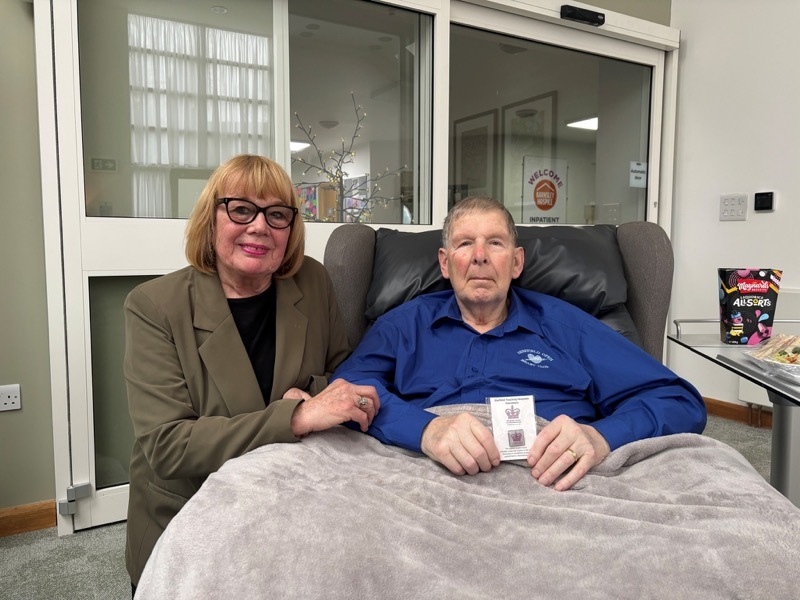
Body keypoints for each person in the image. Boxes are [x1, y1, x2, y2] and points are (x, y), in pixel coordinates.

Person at [123, 154, 379, 590]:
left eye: (277, 214)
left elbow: (341, 374)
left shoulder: (312, 281)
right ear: (211, 220)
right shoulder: (154, 306)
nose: (259, 227)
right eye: (241, 209)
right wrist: (296, 416)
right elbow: (167, 447)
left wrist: (321, 397)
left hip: (292, 501)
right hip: (192, 519)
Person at [332, 196, 706, 491]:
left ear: (516, 262)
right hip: (426, 477)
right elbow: (344, 393)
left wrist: (600, 436)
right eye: (465, 244)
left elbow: (678, 401)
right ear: (445, 263)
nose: (479, 256)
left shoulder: (566, 325)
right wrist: (424, 430)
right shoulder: (401, 324)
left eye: (494, 243)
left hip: (553, 482)